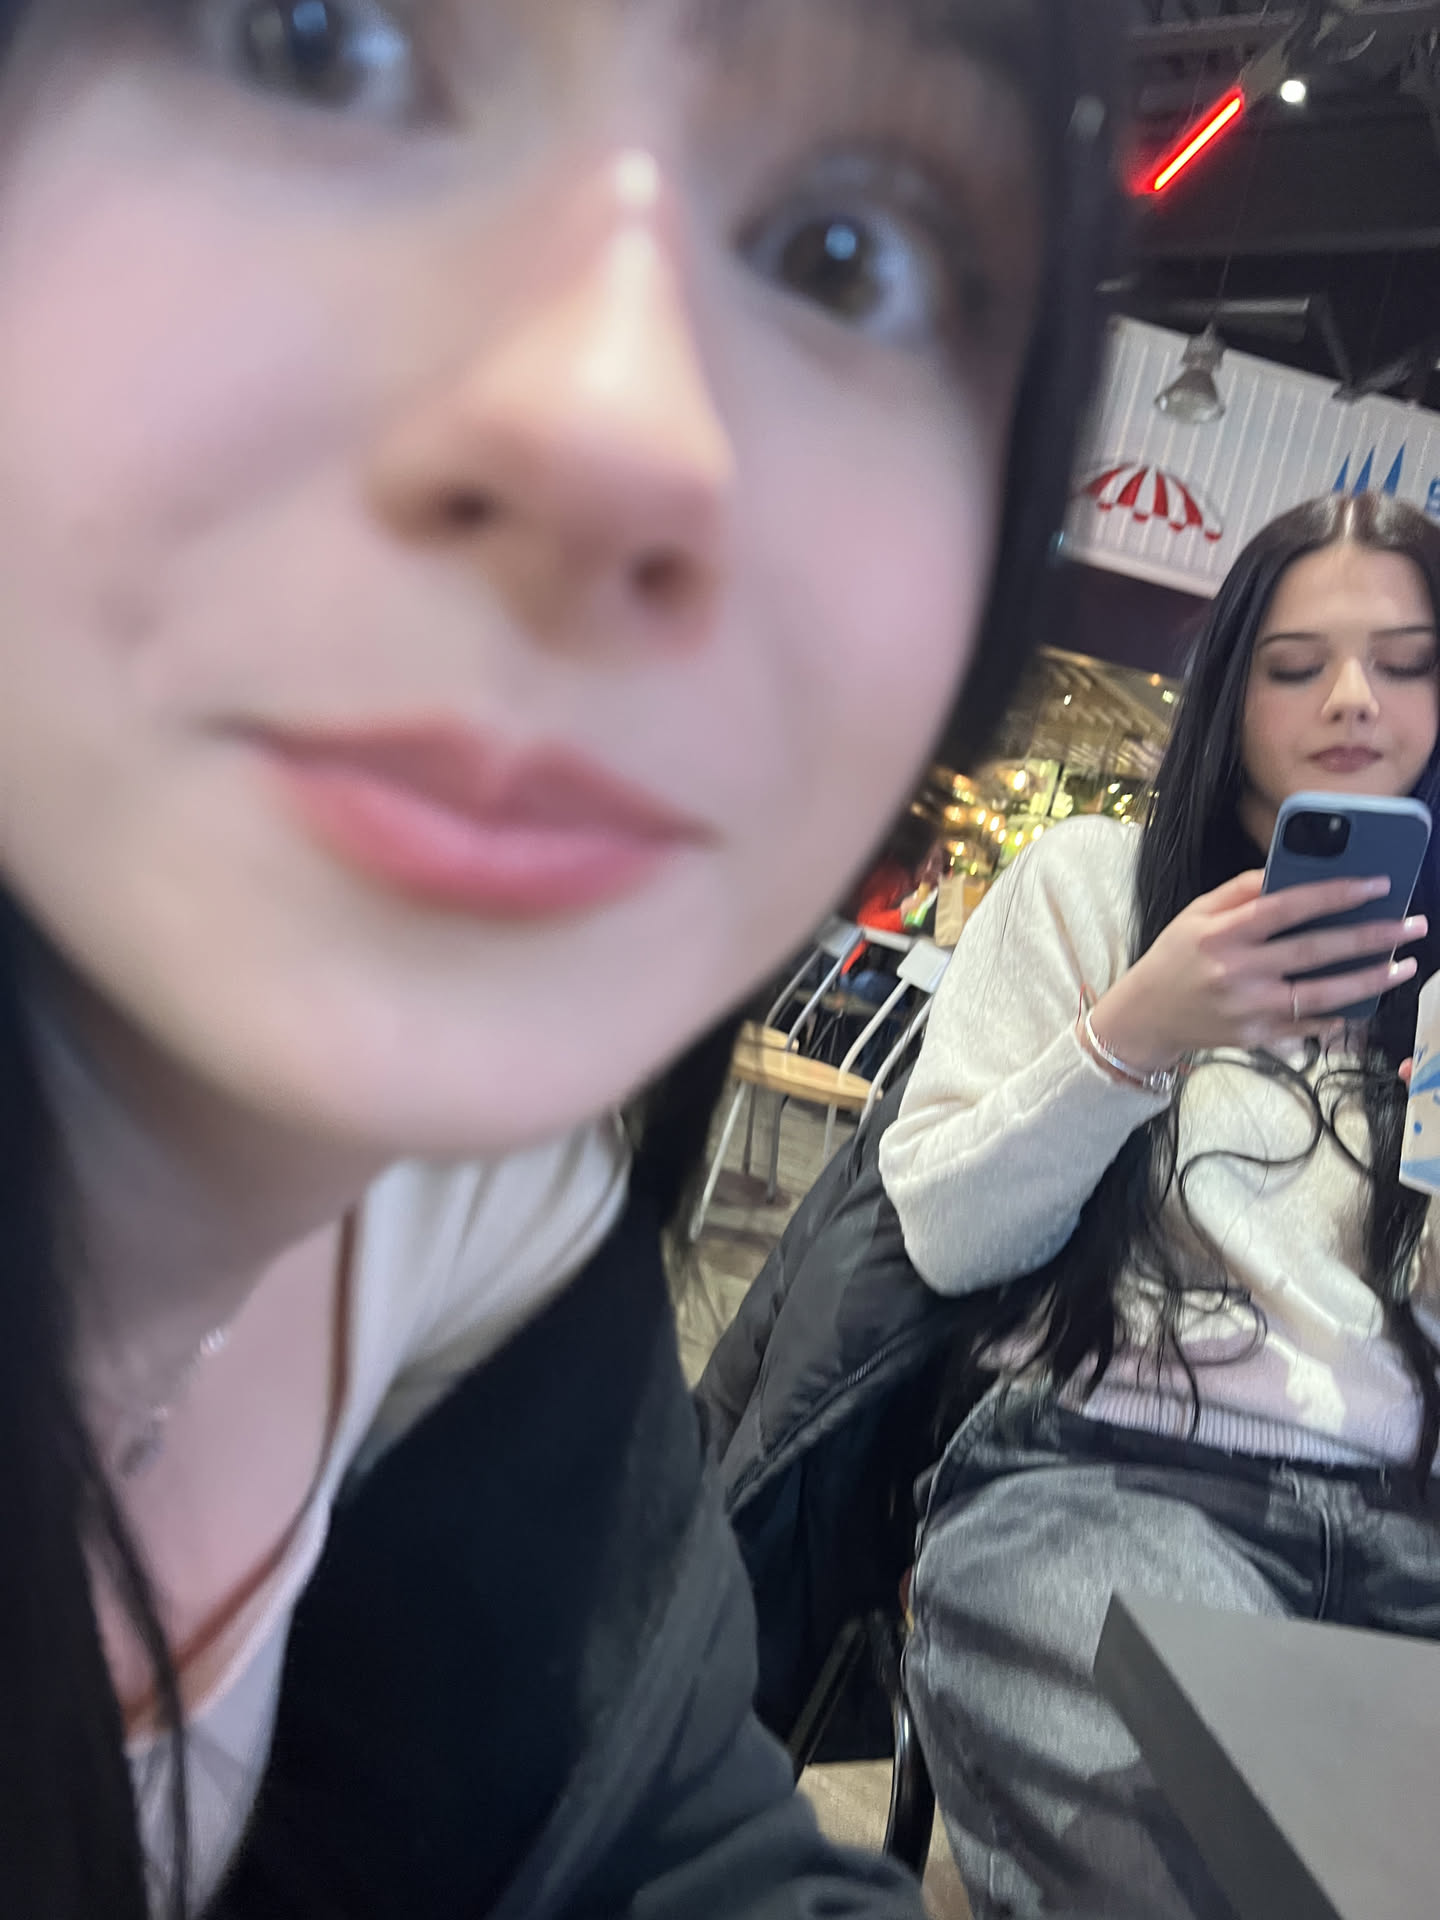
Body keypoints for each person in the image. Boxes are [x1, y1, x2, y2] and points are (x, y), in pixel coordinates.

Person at [0, 0, 1121, 1914]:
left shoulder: (473, 1219)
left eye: (844, 253)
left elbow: (662, 1847)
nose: (624, 427)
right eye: (317, 46)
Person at [880, 492, 1440, 1920]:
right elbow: (951, 1231)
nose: (1355, 699)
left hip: (1410, 1512)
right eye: (1297, 664)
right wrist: (1137, 1032)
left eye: (1406, 662)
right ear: (1231, 687)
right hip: (1111, 1478)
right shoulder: (1091, 891)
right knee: (1179, 1858)